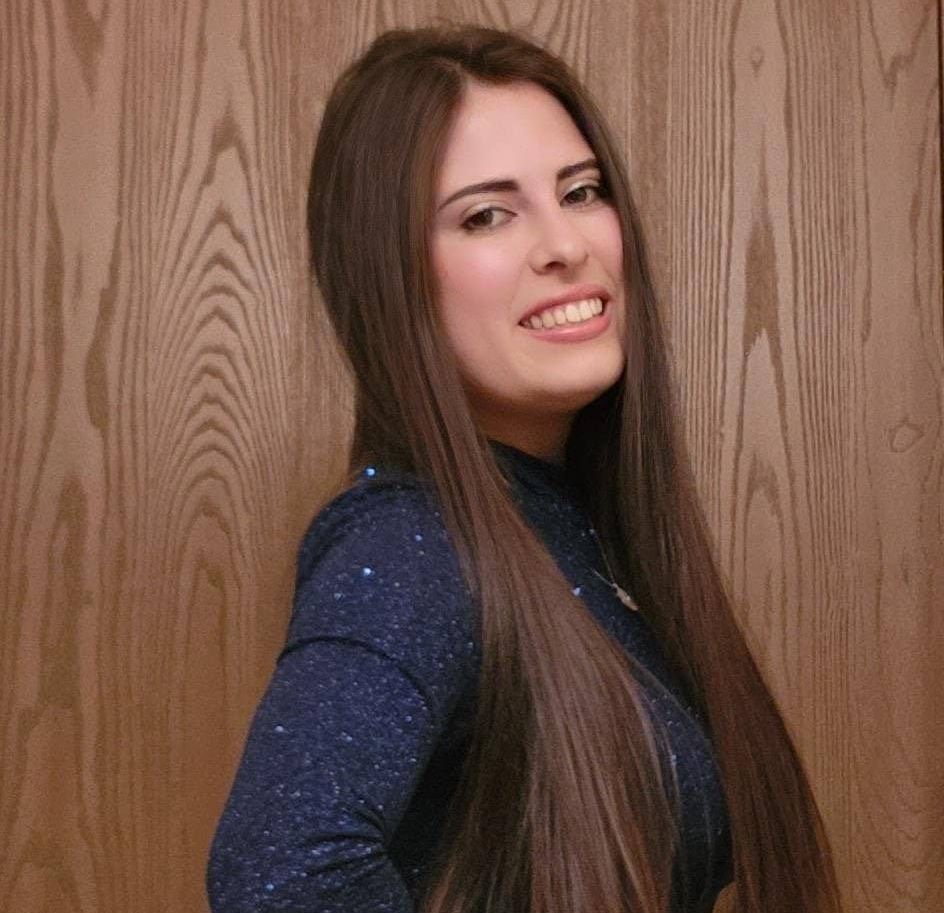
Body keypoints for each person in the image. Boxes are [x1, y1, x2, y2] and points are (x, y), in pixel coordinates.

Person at [206, 22, 841, 913]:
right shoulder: (412, 546)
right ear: (389, 281)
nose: (565, 244)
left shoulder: (570, 527)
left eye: (581, 192)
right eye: (487, 214)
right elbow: (278, 871)